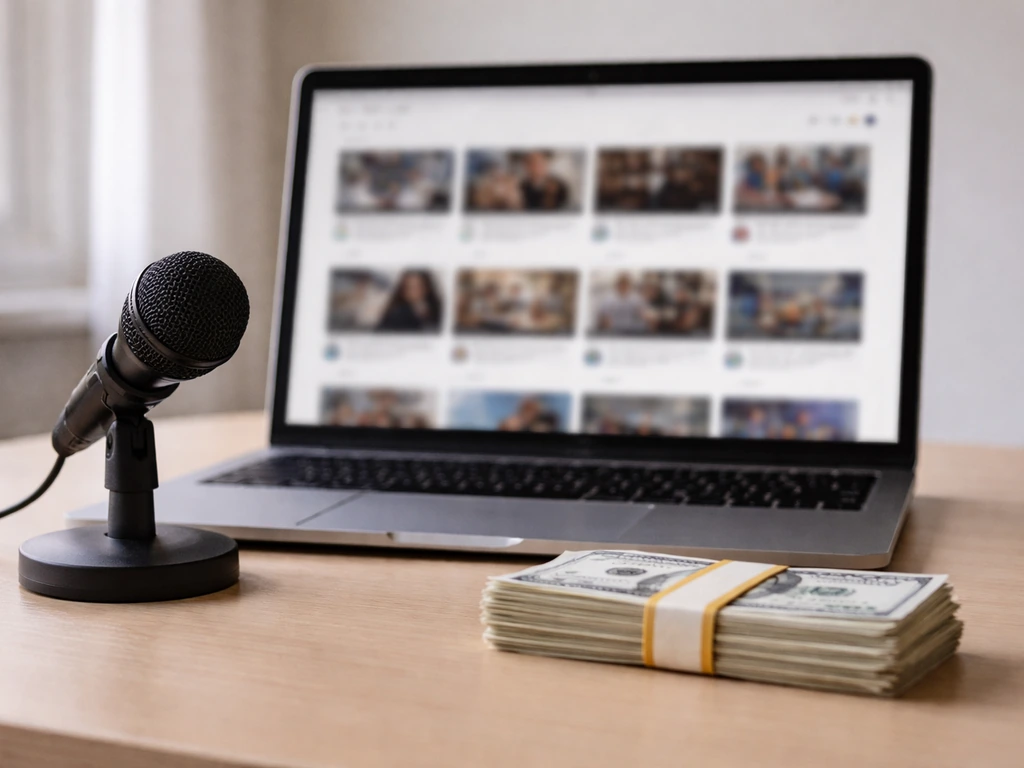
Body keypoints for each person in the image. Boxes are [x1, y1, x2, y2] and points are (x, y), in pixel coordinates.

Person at [376, 270, 442, 332]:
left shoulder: (437, 309)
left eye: (418, 286)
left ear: (427, 288)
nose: (414, 292)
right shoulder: (395, 315)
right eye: (409, 287)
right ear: (403, 291)